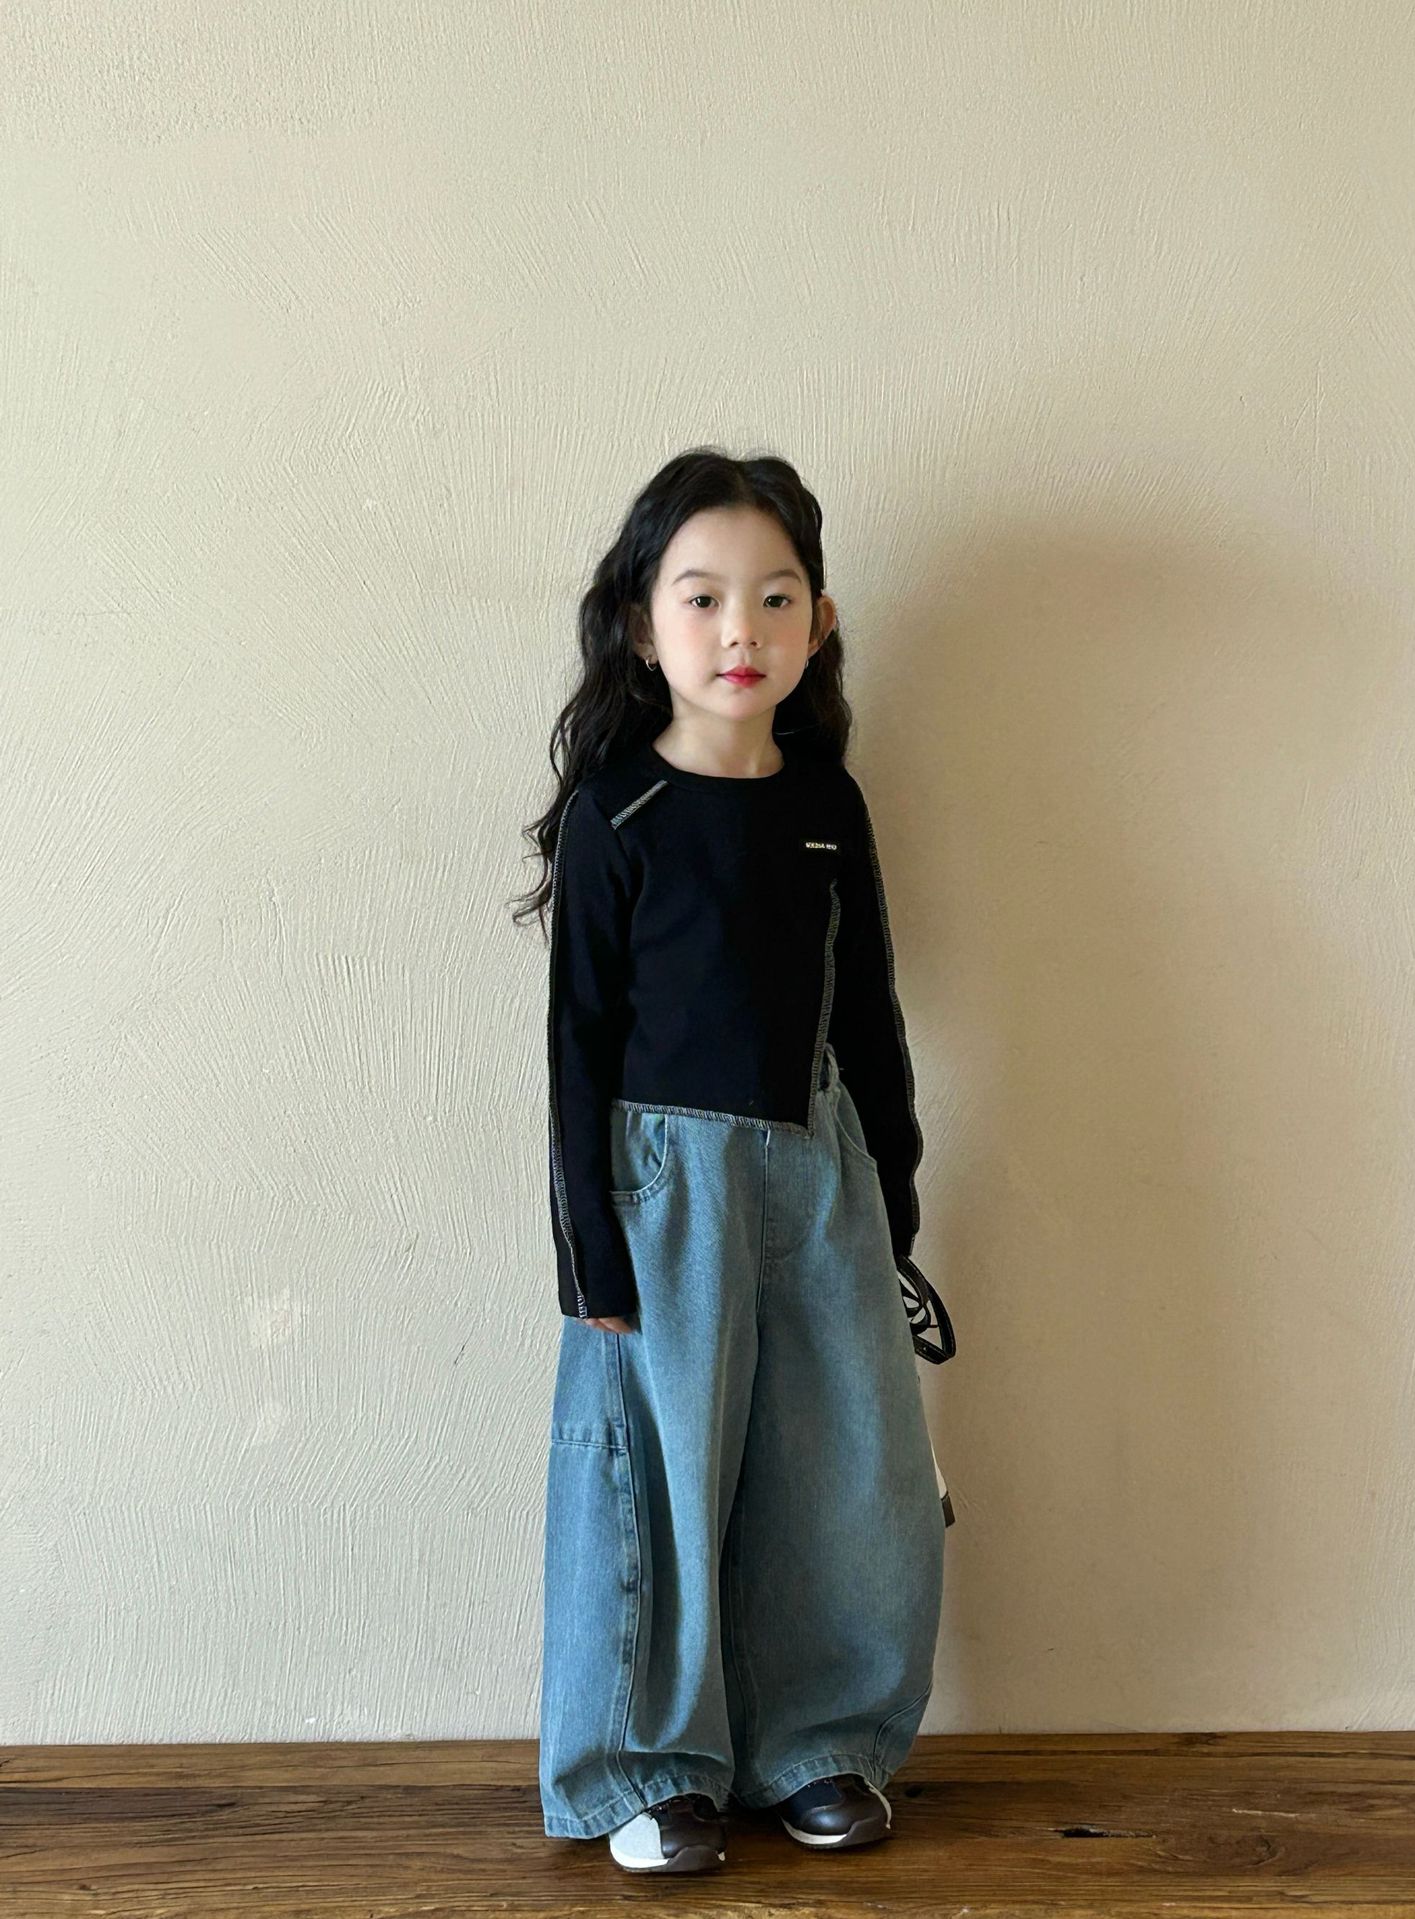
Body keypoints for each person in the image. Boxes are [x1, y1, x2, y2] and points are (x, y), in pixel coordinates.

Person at [511, 446, 955, 1875]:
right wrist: (589, 1250)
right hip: (662, 1191)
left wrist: (891, 1201)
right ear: (643, 626)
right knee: (657, 1476)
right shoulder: (618, 814)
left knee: (843, 1467)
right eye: (701, 597)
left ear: (818, 621)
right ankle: (650, 1772)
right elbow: (578, 1044)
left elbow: (869, 1012)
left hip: (819, 1175)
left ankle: (819, 1747)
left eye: (775, 597)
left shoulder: (829, 806)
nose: (739, 629)